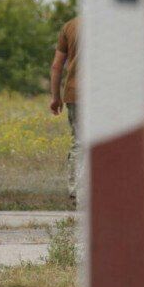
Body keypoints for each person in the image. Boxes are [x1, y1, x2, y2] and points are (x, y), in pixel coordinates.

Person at [50, 16, 80, 205]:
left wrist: (55, 97)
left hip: (76, 93)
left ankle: (77, 190)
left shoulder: (69, 26)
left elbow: (56, 65)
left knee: (80, 142)